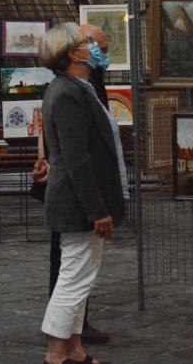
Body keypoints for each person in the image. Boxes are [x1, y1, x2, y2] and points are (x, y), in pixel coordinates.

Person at [38, 22, 128, 364]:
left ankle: (74, 349)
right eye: (89, 42)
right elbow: (77, 161)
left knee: (81, 278)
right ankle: (56, 354)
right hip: (76, 204)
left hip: (80, 202)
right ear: (74, 53)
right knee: (73, 280)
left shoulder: (79, 87)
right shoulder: (67, 93)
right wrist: (97, 210)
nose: (97, 47)